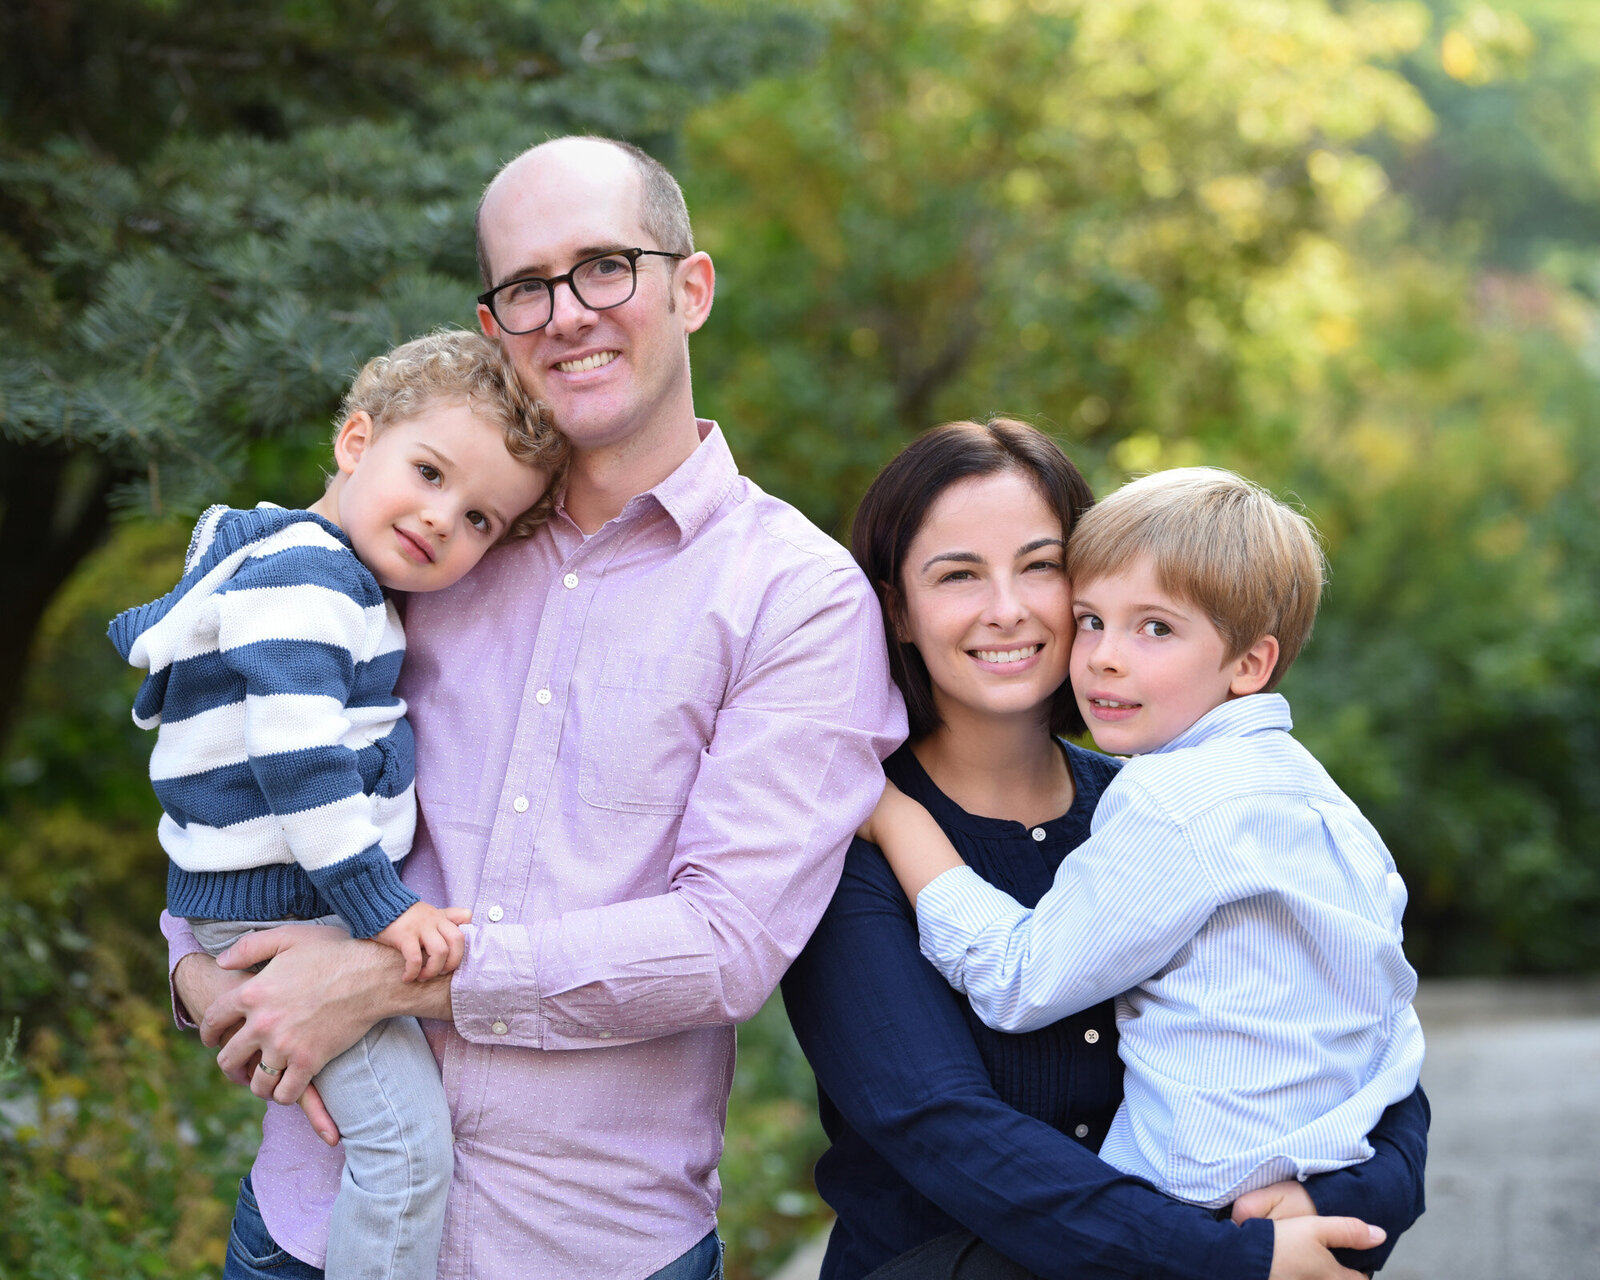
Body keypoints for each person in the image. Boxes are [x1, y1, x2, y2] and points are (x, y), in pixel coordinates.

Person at [163, 136, 905, 1280]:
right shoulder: (421, 539)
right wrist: (196, 971)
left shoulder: (795, 598)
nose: (566, 312)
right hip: (312, 1224)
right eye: (525, 286)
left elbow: (724, 944)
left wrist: (384, 977)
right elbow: (233, 749)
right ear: (495, 320)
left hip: (589, 1245)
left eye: (604, 266)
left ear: (688, 286)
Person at [780, 421, 1429, 1280]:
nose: (1006, 607)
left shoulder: (1171, 805)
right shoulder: (859, 828)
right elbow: (943, 1126)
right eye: (958, 574)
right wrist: (1228, 1260)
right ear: (897, 606)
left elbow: (1361, 1030)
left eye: (1040, 566)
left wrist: (1339, 1204)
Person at [113, 330, 562, 1280]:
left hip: (268, 896)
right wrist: (380, 914)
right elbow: (296, 760)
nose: (445, 520)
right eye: (430, 473)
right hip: (296, 903)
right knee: (402, 1160)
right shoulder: (310, 582)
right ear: (356, 443)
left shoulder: (298, 563)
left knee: (389, 1140)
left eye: (482, 518)